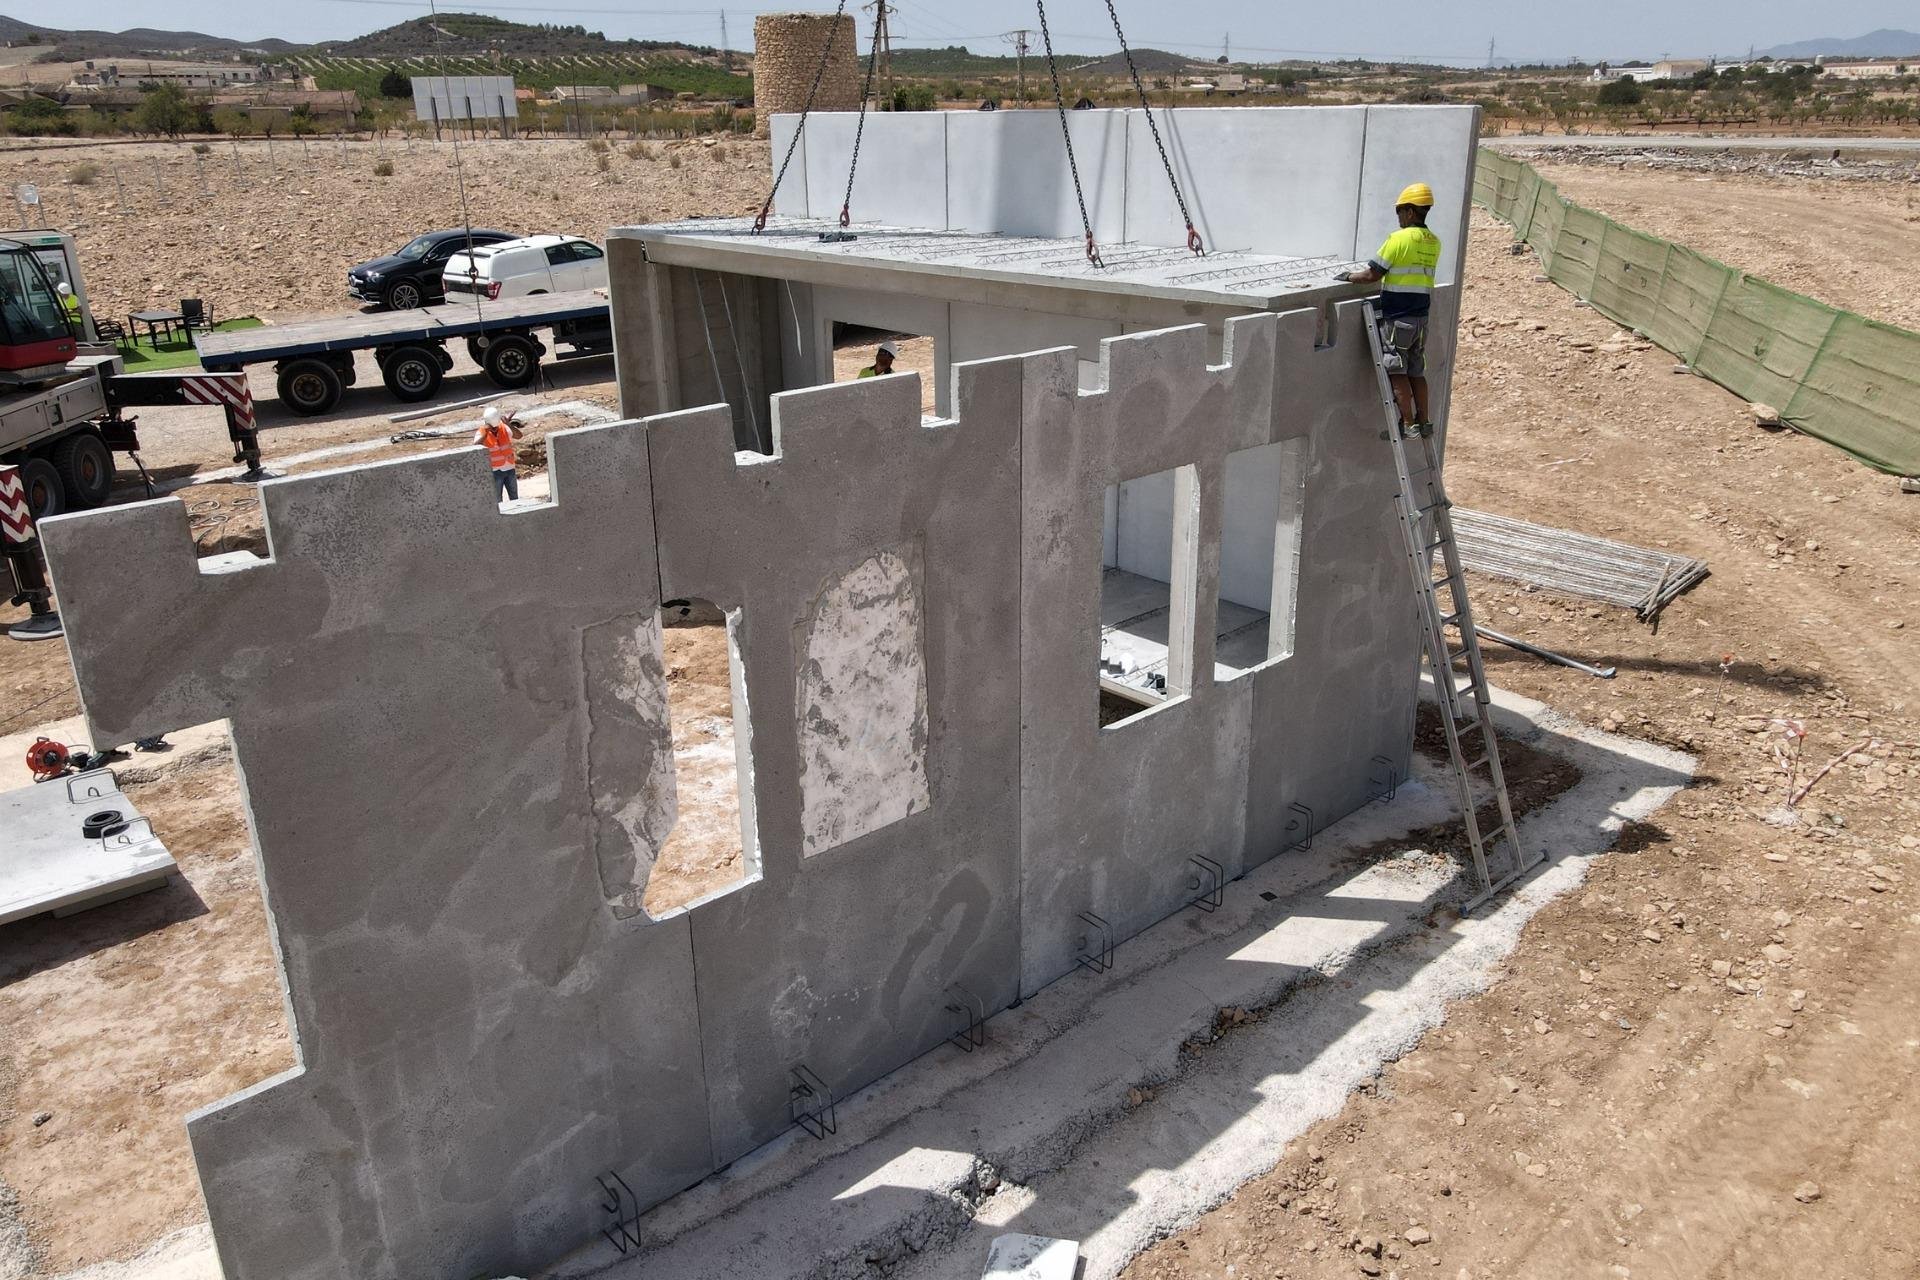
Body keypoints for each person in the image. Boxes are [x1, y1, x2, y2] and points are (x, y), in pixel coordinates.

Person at [1339, 182, 1442, 437]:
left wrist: (1347, 277)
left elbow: (1372, 274)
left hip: (1399, 319)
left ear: (1409, 211)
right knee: (1417, 371)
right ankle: (1424, 421)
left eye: (1399, 212)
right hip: (1421, 319)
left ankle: (1407, 425)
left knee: (1397, 370)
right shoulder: (1433, 242)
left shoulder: (1398, 239)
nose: (1398, 218)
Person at [474, 404, 525, 501]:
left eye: (496, 427)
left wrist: (509, 425)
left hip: (510, 468)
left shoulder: (504, 428)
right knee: (497, 499)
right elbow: (476, 446)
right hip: (495, 471)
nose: (495, 429)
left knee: (514, 497)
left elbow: (519, 436)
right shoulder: (481, 432)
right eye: (493, 428)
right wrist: (485, 434)